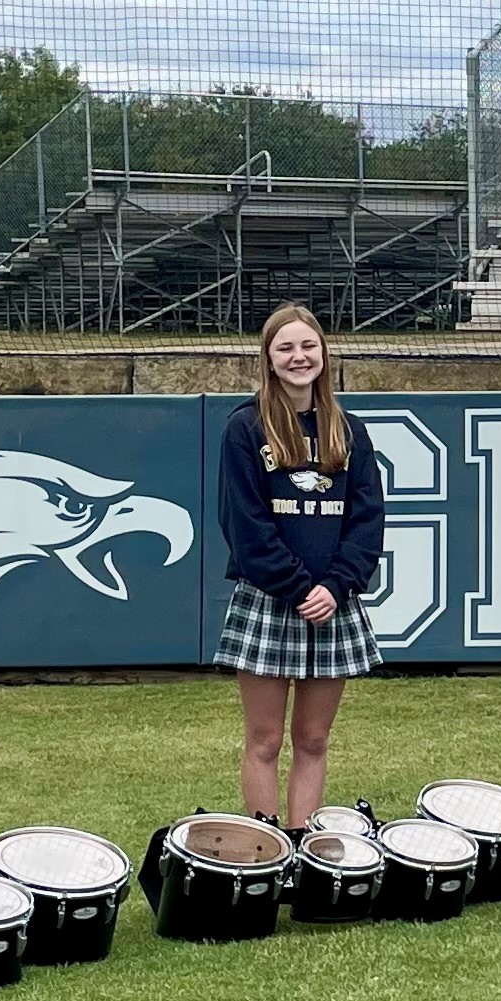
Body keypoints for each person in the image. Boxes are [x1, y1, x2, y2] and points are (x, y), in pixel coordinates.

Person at [214, 301, 386, 823]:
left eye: (308, 345)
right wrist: (296, 587)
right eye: (285, 347)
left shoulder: (349, 430)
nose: (298, 356)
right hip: (269, 600)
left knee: (313, 739)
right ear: (268, 358)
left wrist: (336, 587)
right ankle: (269, 856)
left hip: (333, 604)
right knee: (264, 741)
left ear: (324, 354)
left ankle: (303, 847)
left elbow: (367, 521)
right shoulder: (244, 428)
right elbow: (245, 527)